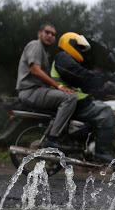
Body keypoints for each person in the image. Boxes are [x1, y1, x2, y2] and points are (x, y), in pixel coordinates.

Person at [51, 32, 115, 163]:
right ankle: (102, 153)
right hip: (72, 100)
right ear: (70, 43)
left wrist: (105, 89)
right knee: (105, 111)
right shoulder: (63, 57)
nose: (81, 51)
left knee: (100, 104)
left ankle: (87, 145)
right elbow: (80, 75)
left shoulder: (67, 59)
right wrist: (106, 77)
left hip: (76, 99)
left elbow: (84, 85)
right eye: (79, 47)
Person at [16, 23, 77, 151]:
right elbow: (35, 71)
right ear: (39, 33)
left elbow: (45, 77)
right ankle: (52, 139)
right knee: (70, 98)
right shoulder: (35, 45)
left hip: (36, 91)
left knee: (67, 96)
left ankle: (58, 137)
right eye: (47, 32)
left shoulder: (43, 52)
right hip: (30, 91)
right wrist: (59, 87)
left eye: (53, 34)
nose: (49, 36)